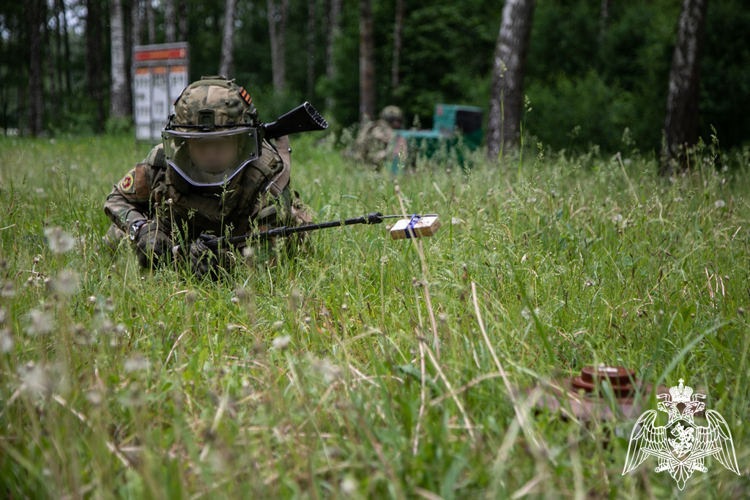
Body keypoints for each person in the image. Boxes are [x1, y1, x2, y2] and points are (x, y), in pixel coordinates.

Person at [103, 76, 311, 278]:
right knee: (117, 236)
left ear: (240, 143)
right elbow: (116, 200)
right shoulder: (162, 163)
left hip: (241, 245)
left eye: (222, 142)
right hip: (172, 240)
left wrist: (226, 263)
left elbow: (268, 260)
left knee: (297, 230)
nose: (211, 152)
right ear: (184, 143)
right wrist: (143, 229)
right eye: (201, 142)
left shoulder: (264, 176)